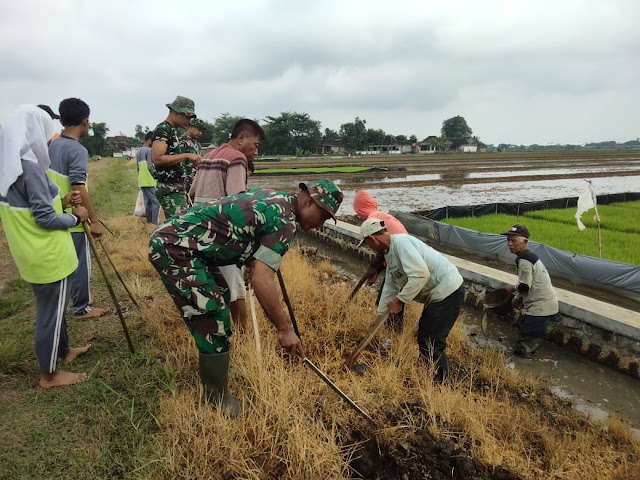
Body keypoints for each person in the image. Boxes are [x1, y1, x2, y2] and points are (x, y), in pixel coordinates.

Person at [149, 180, 343, 416]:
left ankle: (215, 381)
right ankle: (217, 400)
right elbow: (262, 281)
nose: (320, 225)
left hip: (183, 243)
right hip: (176, 248)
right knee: (214, 317)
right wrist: (284, 329)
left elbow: (241, 229)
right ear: (310, 201)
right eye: (323, 216)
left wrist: (251, 260)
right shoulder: (285, 222)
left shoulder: (276, 199)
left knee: (223, 296)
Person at [0, 105, 92, 388]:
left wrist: (61, 202)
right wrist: (75, 216)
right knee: (49, 314)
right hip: (46, 252)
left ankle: (63, 352)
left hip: (32, 251)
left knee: (54, 307)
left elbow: (30, 208)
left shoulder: (12, 165)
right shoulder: (29, 170)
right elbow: (45, 218)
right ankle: (49, 374)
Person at [358, 218, 464, 382]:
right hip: (437, 295)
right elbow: (391, 285)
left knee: (431, 339)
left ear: (372, 239)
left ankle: (443, 380)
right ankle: (427, 372)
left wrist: (400, 301)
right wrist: (379, 315)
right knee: (425, 334)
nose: (369, 248)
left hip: (448, 290)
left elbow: (420, 274)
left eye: (367, 244)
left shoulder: (401, 243)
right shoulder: (390, 252)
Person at [189, 119, 265, 332]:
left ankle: (217, 329)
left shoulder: (209, 155)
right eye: (256, 145)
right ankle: (244, 335)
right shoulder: (237, 158)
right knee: (235, 285)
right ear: (241, 138)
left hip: (197, 228)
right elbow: (236, 205)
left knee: (211, 284)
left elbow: (193, 193)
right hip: (220, 233)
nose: (256, 152)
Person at [48, 98, 108, 319]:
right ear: (85, 122)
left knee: (65, 262)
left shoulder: (51, 144)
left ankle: (74, 298)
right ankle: (81, 307)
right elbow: (79, 188)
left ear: (62, 120)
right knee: (81, 264)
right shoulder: (77, 150)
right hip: (74, 218)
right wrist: (94, 220)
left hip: (56, 214)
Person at [354, 189, 409, 330]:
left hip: (402, 263)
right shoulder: (380, 215)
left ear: (360, 208)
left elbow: (381, 247)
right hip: (398, 262)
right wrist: (375, 271)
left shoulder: (373, 220)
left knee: (390, 301)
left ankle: (393, 333)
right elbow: (383, 249)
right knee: (389, 298)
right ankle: (392, 330)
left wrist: (373, 268)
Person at [501, 224, 558, 358]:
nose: (509, 244)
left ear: (525, 242)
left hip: (540, 307)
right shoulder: (529, 257)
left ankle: (523, 369)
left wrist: (512, 288)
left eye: (514, 240)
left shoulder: (525, 260)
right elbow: (529, 285)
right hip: (543, 304)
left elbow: (524, 286)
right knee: (523, 333)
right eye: (508, 240)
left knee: (524, 347)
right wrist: (518, 298)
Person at [151, 96, 201, 218]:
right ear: (176, 112)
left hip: (176, 188)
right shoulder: (163, 130)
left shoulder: (172, 131)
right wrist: (187, 156)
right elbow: (157, 159)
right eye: (187, 116)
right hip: (170, 189)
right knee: (180, 227)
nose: (189, 121)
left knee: (178, 226)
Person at [136, 131, 160, 224]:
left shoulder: (139, 151)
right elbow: (150, 167)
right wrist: (156, 176)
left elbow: (138, 168)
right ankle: (155, 224)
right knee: (156, 202)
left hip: (142, 180)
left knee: (147, 202)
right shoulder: (150, 151)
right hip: (149, 181)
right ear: (150, 140)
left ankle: (149, 222)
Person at [179, 117, 207, 195]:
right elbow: (179, 162)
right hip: (184, 181)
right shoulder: (182, 142)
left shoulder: (197, 144)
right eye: (199, 130)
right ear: (191, 127)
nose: (200, 133)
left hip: (195, 180)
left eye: (202, 131)